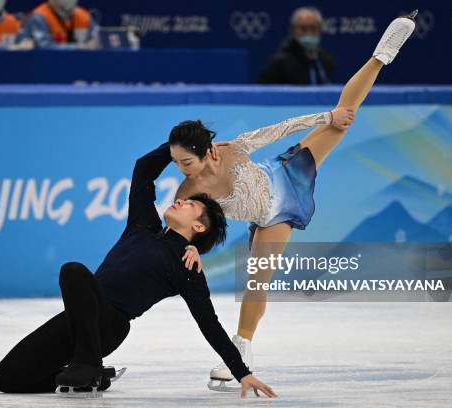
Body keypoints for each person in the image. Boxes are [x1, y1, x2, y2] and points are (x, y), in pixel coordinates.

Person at [172, 13, 418, 386]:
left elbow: (279, 129)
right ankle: (244, 349)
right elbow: (177, 230)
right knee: (257, 280)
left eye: (186, 162)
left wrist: (327, 116)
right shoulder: (187, 191)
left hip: (284, 175)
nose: (181, 170)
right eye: (176, 164)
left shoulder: (232, 150)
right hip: (269, 218)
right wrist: (189, 249)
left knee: (343, 118)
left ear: (208, 152)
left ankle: (382, 55)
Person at [0, 143, 277, 398]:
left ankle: (88, 365)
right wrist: (181, 146)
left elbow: (209, 324)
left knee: (73, 271)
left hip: (109, 325)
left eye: (189, 204)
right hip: (80, 318)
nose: (179, 199)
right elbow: (143, 170)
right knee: (6, 379)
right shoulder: (142, 225)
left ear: (199, 227)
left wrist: (242, 372)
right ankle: (93, 375)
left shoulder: (186, 266)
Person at [258, 7, 335, 85]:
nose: (309, 33)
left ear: (320, 30)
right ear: (293, 30)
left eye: (313, 28)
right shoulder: (279, 64)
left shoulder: (326, 61)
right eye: (303, 28)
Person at [23, 0, 99, 49]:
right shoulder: (39, 17)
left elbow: (97, 42)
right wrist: (79, 47)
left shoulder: (84, 16)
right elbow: (44, 48)